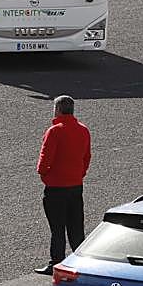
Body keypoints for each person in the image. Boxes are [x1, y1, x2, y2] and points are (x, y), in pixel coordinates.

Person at [34, 95, 92, 275]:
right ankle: (81, 261)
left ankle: (56, 262)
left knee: (57, 228)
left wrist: (44, 175)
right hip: (75, 186)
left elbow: (44, 161)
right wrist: (79, 174)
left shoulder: (54, 131)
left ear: (57, 109)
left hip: (56, 187)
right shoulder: (83, 130)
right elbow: (86, 157)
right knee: (76, 227)